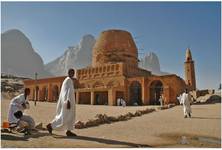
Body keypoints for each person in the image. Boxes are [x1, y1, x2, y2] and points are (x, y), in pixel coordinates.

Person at [47, 69, 77, 136]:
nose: (73, 74)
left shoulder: (67, 80)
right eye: (71, 72)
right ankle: (50, 126)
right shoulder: (68, 80)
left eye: (73, 73)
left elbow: (66, 91)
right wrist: (68, 101)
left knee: (70, 116)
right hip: (68, 102)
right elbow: (67, 92)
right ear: (68, 73)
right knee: (64, 117)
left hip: (68, 102)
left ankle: (69, 131)